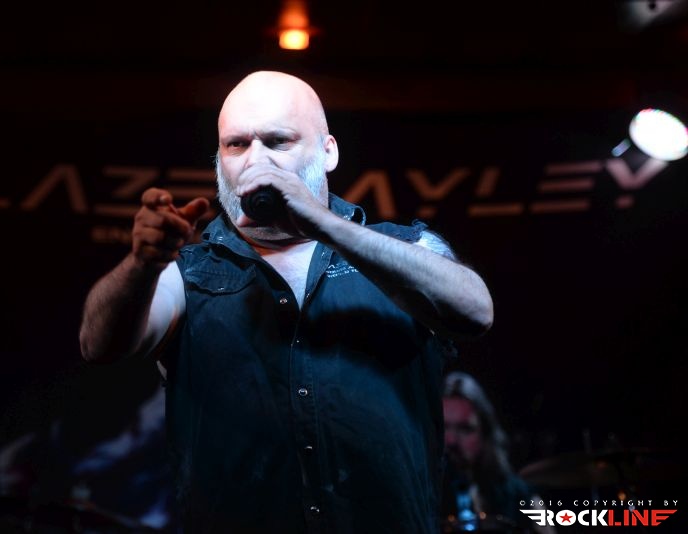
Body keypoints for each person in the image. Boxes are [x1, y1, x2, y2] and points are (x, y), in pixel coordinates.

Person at [79, 70, 494, 533]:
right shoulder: (187, 273)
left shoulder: (402, 247)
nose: (256, 160)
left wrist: (321, 222)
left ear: (328, 151)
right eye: (237, 145)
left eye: (278, 141)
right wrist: (141, 264)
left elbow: (475, 311)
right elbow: (99, 345)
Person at [441, 371, 556, 534]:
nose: (451, 441)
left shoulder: (520, 496)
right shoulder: (424, 496)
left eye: (465, 429)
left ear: (485, 432)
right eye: (444, 427)